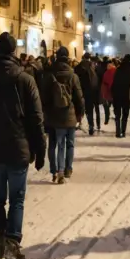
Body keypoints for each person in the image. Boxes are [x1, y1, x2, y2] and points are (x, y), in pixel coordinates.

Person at [0, 32, 46, 259]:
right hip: (18, 147)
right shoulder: (25, 80)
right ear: (14, 51)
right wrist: (40, 149)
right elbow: (36, 118)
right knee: (17, 198)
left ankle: (0, 243)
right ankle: (12, 244)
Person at [42, 46, 85, 183]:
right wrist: (80, 113)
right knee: (69, 143)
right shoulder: (73, 75)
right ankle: (66, 169)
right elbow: (79, 97)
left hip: (52, 115)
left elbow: (43, 96)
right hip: (69, 115)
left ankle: (54, 171)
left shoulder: (49, 74)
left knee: (53, 143)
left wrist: (45, 111)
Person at [111, 54, 130, 138]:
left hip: (117, 95)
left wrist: (113, 93)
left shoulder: (118, 69)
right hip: (127, 96)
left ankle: (118, 131)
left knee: (117, 115)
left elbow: (114, 83)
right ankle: (123, 131)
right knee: (125, 115)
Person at [74, 53, 100, 135]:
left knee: (78, 108)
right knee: (89, 111)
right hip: (90, 92)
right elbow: (95, 80)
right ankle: (91, 126)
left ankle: (77, 123)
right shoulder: (92, 67)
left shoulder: (77, 67)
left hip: (79, 91)